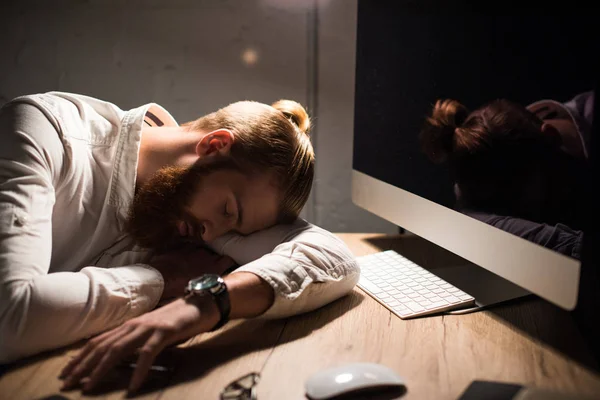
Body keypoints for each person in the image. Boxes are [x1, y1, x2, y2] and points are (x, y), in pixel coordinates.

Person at [0, 92, 359, 390]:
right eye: (227, 212)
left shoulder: (197, 214)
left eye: (233, 229)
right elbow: (8, 315)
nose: (213, 234)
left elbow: (336, 259)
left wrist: (208, 302)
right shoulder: (44, 131)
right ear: (214, 145)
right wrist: (160, 279)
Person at [419, 91, 594, 259]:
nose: (531, 220)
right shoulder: (512, 144)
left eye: (532, 203)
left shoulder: (515, 147)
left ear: (551, 137)